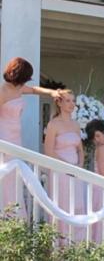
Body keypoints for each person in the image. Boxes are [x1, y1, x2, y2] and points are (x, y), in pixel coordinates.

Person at [0, 57, 60, 217]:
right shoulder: (2, 91)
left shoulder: (19, 88)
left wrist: (52, 92)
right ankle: (6, 214)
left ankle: (15, 212)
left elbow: (34, 90)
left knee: (15, 175)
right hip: (4, 136)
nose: (25, 82)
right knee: (6, 175)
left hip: (16, 137)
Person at [44, 89, 86, 243]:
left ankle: (76, 243)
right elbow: (48, 150)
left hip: (76, 171)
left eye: (73, 100)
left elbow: (80, 150)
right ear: (59, 103)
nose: (71, 104)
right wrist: (67, 166)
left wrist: (79, 165)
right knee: (62, 205)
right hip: (60, 171)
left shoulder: (75, 125)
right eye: (67, 100)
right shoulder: (53, 124)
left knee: (77, 205)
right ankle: (60, 244)